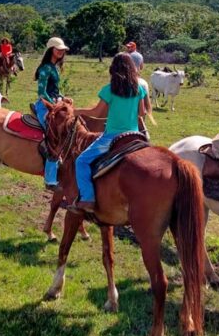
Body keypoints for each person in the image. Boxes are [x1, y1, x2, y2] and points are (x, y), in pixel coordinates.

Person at [68, 53, 148, 213]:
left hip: (112, 137)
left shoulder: (109, 89)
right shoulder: (139, 89)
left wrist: (75, 111)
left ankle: (88, 199)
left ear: (113, 69)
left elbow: (96, 113)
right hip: (135, 136)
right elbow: (142, 112)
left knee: (81, 161)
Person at [33, 37, 69, 189]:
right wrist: (54, 104)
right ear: (50, 50)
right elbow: (42, 92)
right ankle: (50, 180)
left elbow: (54, 89)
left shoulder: (55, 67)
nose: (61, 51)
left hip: (55, 103)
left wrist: (63, 97)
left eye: (62, 50)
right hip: (45, 106)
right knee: (54, 137)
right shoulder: (46, 68)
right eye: (57, 49)